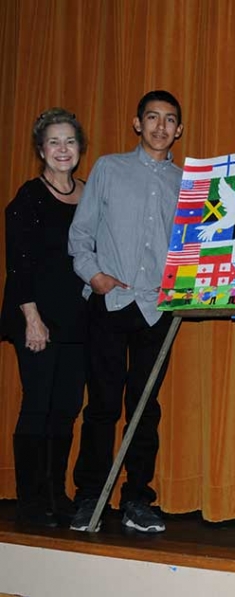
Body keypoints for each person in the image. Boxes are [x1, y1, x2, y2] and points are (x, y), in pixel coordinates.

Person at [67, 90, 185, 533]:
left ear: (179, 129)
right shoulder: (108, 169)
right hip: (111, 302)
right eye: (151, 117)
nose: (160, 126)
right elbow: (81, 236)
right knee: (101, 405)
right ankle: (89, 498)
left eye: (169, 119)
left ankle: (137, 498)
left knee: (145, 407)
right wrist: (94, 276)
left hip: (160, 308)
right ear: (137, 124)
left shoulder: (188, 182)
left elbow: (197, 246)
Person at [1, 109, 89, 527]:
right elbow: (18, 265)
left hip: (78, 320)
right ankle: (31, 500)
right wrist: (32, 319)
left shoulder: (89, 194)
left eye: (69, 141)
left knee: (67, 408)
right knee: (38, 406)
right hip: (35, 316)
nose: (62, 149)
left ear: (79, 149)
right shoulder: (28, 197)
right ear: (41, 150)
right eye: (54, 142)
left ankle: (57, 494)